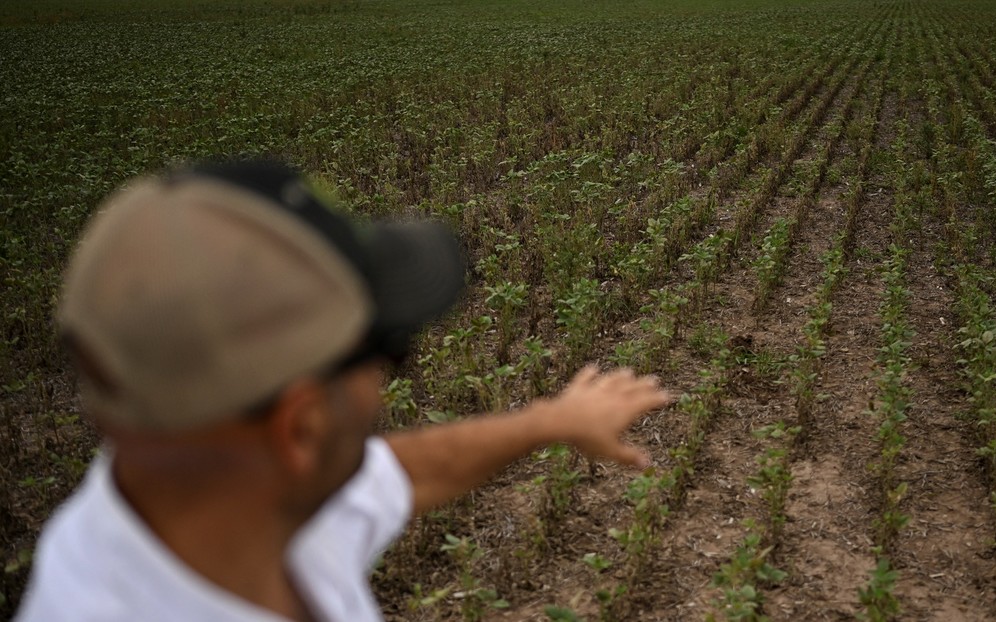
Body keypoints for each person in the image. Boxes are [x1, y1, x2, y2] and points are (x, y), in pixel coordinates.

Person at [14, 160, 669, 621]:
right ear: (301, 429)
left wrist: (550, 422)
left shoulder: (205, 489)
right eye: (390, 353)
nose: (386, 383)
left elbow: (395, 476)